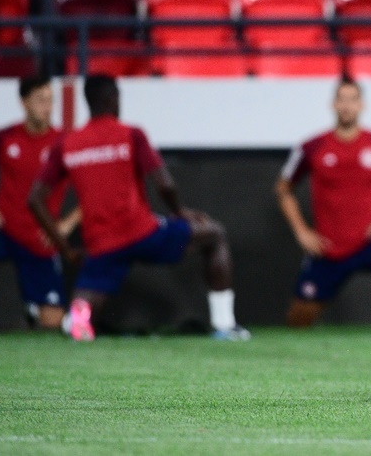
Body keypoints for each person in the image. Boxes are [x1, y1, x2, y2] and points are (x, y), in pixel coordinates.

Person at [28, 75, 248, 341]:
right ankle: (224, 325)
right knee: (214, 234)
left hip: (103, 245)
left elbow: (35, 199)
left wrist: (65, 249)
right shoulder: (131, 134)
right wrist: (179, 211)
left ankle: (75, 321)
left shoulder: (67, 143)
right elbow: (165, 184)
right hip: (143, 233)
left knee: (83, 307)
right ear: (113, 98)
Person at [275, 76, 371, 328]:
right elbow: (283, 189)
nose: (347, 105)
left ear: (362, 105)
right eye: (342, 99)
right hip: (328, 249)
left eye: (353, 99)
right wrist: (302, 232)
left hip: (370, 243)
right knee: (297, 322)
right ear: (333, 104)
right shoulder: (312, 146)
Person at [0, 76, 80, 329]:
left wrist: (66, 225)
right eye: (40, 100)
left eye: (50, 100)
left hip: (39, 239)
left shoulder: (65, 142)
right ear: (24, 102)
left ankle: (35, 310)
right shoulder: (4, 137)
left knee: (53, 321)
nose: (47, 107)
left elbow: (96, 189)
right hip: (2, 230)